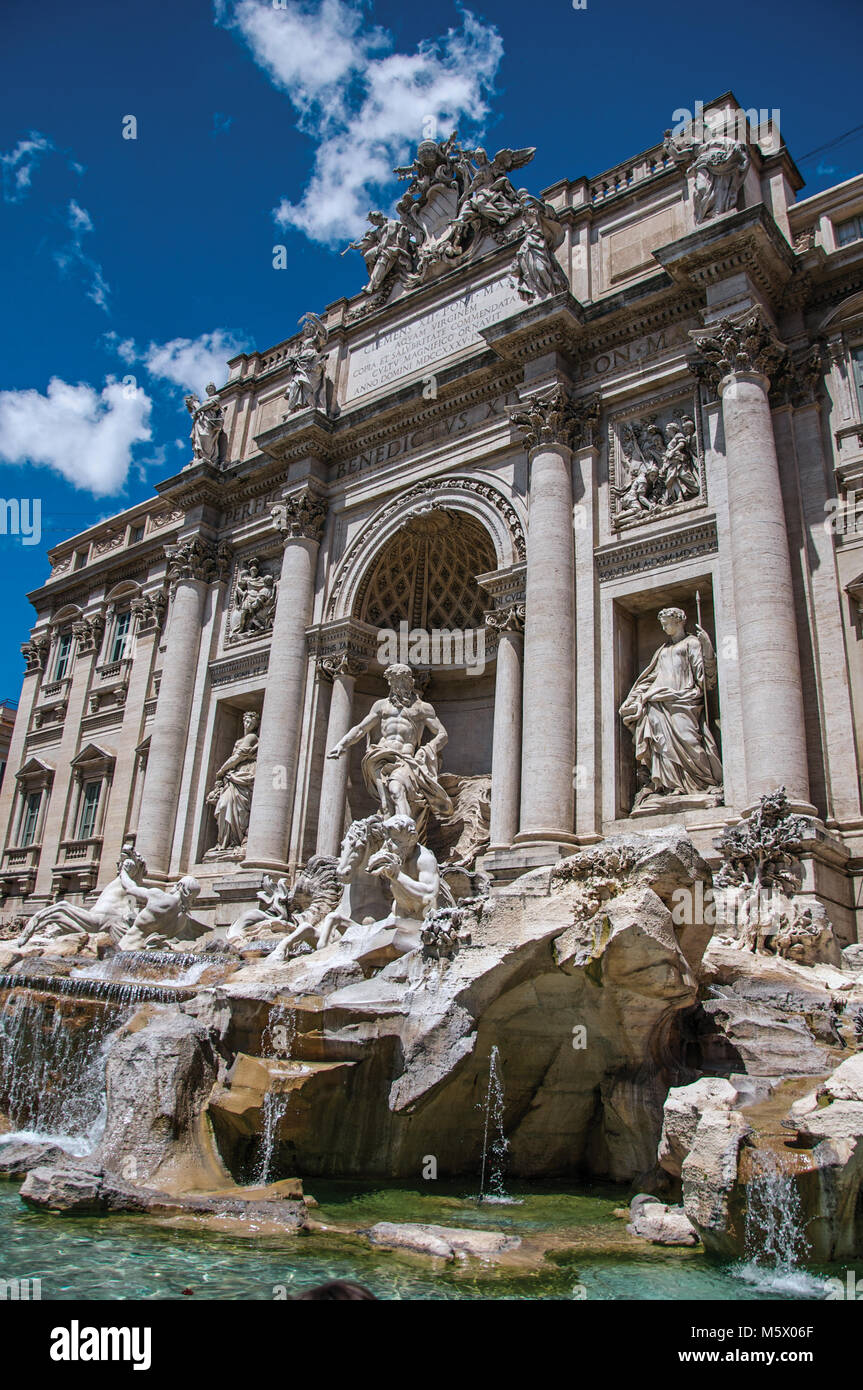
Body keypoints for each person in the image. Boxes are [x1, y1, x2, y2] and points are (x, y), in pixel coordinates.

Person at [326, 663, 452, 839]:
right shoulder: (381, 706)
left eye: (401, 681)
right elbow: (361, 728)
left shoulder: (422, 708)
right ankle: (392, 845)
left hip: (406, 758)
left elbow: (442, 734)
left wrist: (427, 748)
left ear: (410, 682)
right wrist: (342, 744)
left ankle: (407, 838)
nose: (397, 686)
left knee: (396, 789)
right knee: (386, 805)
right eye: (394, 682)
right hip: (380, 757)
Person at [619, 606, 722, 806]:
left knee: (689, 739)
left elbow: (705, 676)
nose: (664, 627)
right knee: (662, 745)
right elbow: (649, 678)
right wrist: (635, 698)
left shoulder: (692, 643)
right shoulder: (662, 650)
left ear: (678, 622)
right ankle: (672, 786)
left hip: (684, 699)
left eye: (666, 623)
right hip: (657, 701)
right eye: (662, 624)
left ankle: (701, 782)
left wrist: (707, 648)